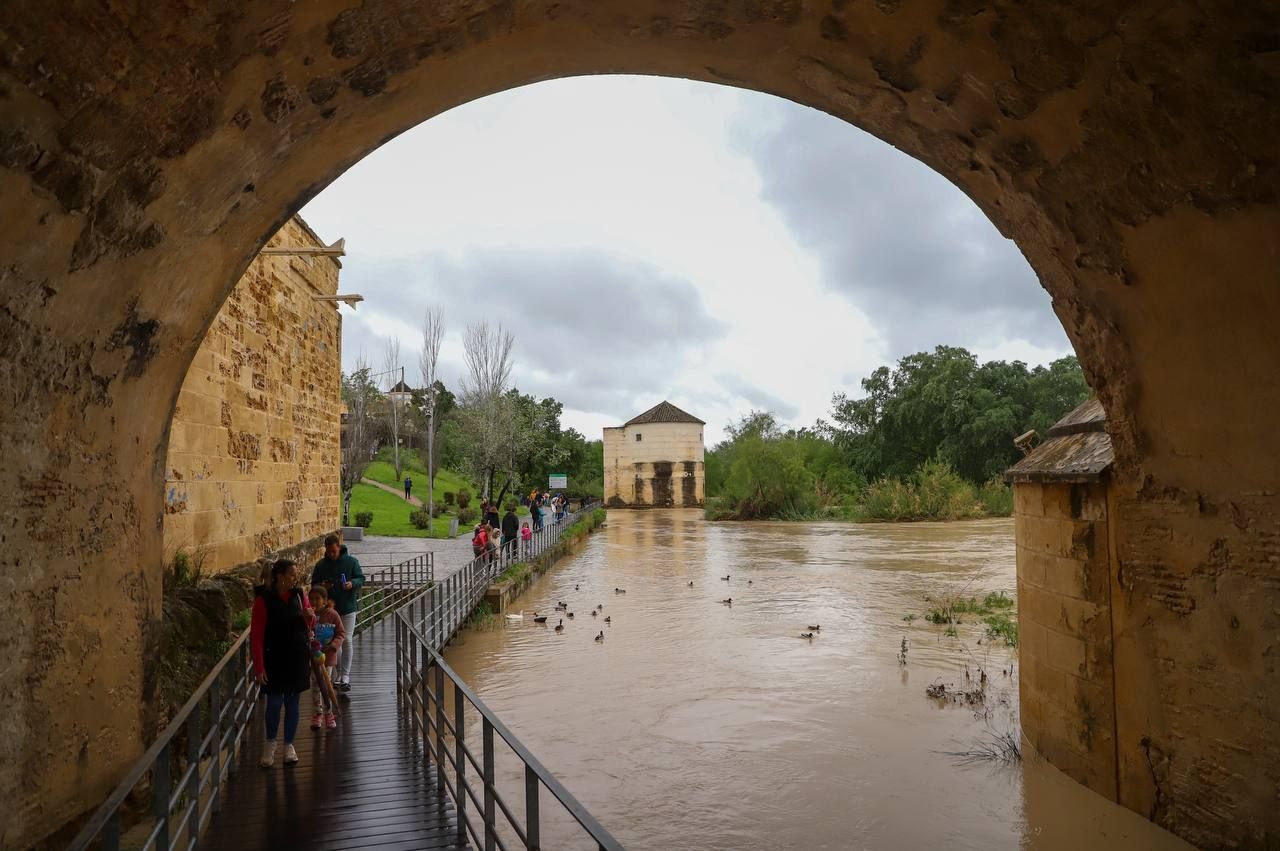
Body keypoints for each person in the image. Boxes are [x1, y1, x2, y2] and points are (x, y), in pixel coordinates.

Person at [251, 559, 313, 768]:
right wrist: (259, 667)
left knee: (293, 703)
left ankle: (289, 745)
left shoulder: (299, 594)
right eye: (292, 574)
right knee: (275, 704)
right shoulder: (264, 600)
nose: (295, 578)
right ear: (279, 576)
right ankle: (270, 743)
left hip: (296, 656)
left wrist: (309, 617)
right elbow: (257, 635)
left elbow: (309, 622)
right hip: (274, 657)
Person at [310, 534, 363, 692]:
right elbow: (314, 584)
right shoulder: (320, 565)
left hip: (348, 607)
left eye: (334, 551)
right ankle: (339, 674)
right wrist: (323, 586)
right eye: (329, 552)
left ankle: (345, 675)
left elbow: (361, 578)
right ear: (326, 550)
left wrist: (351, 583)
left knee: (346, 639)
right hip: (330, 610)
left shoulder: (351, 562)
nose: (332, 554)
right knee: (335, 642)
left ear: (339, 548)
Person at [308, 585, 345, 730]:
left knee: (326, 684)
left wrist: (334, 645)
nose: (314, 602)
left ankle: (329, 713)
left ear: (324, 600)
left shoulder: (333, 614)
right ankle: (318, 713)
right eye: (311, 599)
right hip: (313, 657)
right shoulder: (308, 616)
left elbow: (341, 633)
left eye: (317, 599)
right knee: (315, 685)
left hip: (328, 656)